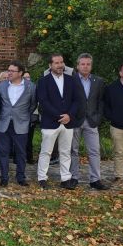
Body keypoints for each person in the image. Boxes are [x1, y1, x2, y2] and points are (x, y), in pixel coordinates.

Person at [36, 54, 82, 190]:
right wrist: (59, 115)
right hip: (50, 122)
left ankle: (65, 178)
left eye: (61, 62)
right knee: (46, 151)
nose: (60, 65)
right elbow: (43, 102)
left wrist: (69, 115)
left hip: (68, 122)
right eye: (56, 63)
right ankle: (42, 178)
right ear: (50, 65)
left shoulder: (71, 80)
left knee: (65, 151)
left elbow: (76, 100)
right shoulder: (43, 81)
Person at [69, 53, 109, 190]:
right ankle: (73, 177)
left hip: (91, 120)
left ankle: (95, 179)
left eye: (88, 64)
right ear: (77, 65)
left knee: (94, 151)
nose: (85, 67)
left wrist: (98, 117)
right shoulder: (70, 80)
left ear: (91, 66)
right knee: (72, 150)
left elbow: (101, 101)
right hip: (74, 120)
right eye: (83, 64)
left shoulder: (98, 81)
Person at [0, 61, 37, 186]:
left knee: (21, 152)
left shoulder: (31, 86)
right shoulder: (2, 85)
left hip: (21, 123)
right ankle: (4, 178)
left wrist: (25, 117)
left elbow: (33, 104)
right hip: (4, 123)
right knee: (3, 152)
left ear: (20, 73)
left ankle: (21, 177)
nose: (9, 73)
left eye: (12, 71)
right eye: (8, 70)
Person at [23, 71, 38, 164]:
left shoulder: (33, 87)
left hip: (30, 117)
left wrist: (28, 115)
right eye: (25, 77)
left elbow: (34, 103)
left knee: (29, 139)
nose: (27, 79)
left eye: (28, 77)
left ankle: (29, 157)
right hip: (19, 118)